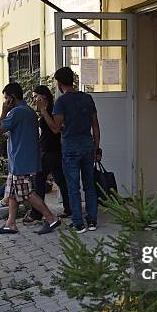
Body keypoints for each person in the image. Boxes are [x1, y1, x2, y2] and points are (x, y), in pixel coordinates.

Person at [38, 67, 101, 234]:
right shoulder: (87, 98)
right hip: (87, 146)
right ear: (72, 80)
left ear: (59, 83)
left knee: (73, 187)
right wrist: (96, 147)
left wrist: (44, 110)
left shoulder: (61, 102)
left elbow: (55, 129)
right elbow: (95, 126)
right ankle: (93, 221)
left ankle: (79, 224)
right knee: (89, 185)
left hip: (70, 149)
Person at [0, 83, 60, 235]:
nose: (5, 102)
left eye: (6, 99)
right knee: (11, 191)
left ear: (12, 98)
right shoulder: (29, 111)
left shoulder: (16, 112)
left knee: (26, 193)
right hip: (24, 159)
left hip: (20, 161)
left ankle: (51, 218)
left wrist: (4, 111)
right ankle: (10, 223)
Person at [23, 85, 71, 225]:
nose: (34, 99)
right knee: (60, 181)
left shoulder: (51, 110)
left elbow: (56, 129)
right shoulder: (47, 111)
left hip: (51, 152)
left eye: (35, 96)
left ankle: (37, 213)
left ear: (43, 96)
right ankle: (69, 208)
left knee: (40, 182)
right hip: (48, 150)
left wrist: (43, 110)